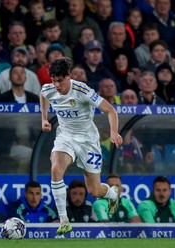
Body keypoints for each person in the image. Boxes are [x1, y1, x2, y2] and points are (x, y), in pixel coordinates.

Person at [40, 57, 123, 235]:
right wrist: (44, 119)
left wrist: (114, 132)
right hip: (65, 138)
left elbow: (110, 110)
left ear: (69, 77)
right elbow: (43, 95)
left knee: (94, 190)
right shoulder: (49, 89)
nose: (56, 85)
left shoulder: (82, 90)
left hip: (88, 142)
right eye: (53, 80)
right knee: (55, 169)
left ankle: (112, 193)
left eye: (60, 80)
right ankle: (63, 220)